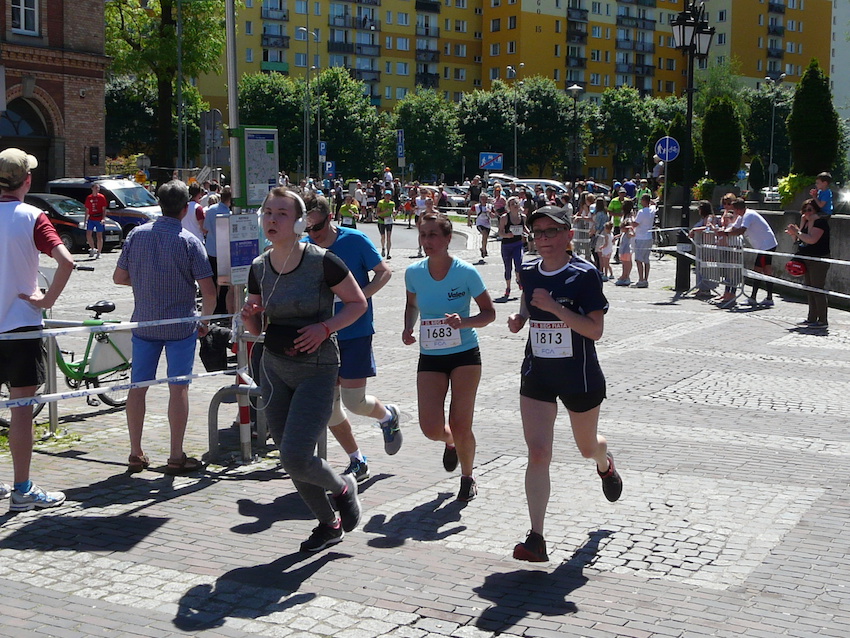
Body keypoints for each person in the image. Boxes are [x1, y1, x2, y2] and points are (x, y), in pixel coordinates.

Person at [241, 187, 368, 552]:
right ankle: (329, 524)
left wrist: (325, 328)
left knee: (295, 455)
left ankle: (343, 487)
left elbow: (357, 303)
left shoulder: (322, 261)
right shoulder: (258, 266)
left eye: (281, 213)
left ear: (299, 223)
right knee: (291, 459)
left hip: (317, 368)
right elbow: (257, 326)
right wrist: (250, 317)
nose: (272, 219)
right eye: (268, 212)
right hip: (274, 369)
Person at [507, 206, 622, 562]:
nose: (543, 239)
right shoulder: (528, 270)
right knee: (538, 452)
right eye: (538, 232)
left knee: (587, 448)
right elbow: (529, 300)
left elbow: (595, 330)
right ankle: (536, 538)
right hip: (538, 373)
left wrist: (556, 308)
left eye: (551, 231)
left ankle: (604, 463)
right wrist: (520, 317)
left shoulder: (585, 275)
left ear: (568, 235)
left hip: (579, 376)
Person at [113, 180, 216, 475]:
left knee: (137, 388)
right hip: (180, 325)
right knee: (178, 388)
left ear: (159, 204)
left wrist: (145, 283)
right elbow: (209, 292)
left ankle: (135, 452)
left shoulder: (136, 235)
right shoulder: (189, 241)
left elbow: (119, 277)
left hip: (145, 322)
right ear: (185, 209)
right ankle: (175, 455)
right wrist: (204, 321)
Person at [303, 194, 401, 483]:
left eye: (317, 228)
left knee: (354, 402)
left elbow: (384, 272)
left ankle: (387, 416)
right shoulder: (304, 247)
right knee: (328, 406)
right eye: (307, 229)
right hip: (322, 335)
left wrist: (358, 298)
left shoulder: (354, 240)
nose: (313, 234)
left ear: (330, 218)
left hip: (355, 331)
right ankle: (357, 460)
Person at [0, 148, 74, 511]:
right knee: (21, 410)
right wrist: (46, 300)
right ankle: (22, 489)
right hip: (21, 325)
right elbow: (67, 261)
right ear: (27, 180)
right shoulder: (32, 216)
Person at [403, 213, 495, 501]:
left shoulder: (466, 272)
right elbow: (412, 305)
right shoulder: (413, 272)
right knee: (431, 428)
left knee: (461, 422)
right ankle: (450, 441)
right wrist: (408, 327)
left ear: (447, 239)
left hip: (465, 354)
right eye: (423, 235)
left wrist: (464, 322)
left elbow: (489, 313)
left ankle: (467, 476)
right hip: (431, 355)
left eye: (433, 235)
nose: (426, 240)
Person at [721, 198, 778, 306]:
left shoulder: (748, 215)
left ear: (738, 209)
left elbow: (741, 230)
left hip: (766, 246)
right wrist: (723, 231)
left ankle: (754, 298)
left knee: (758, 270)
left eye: (734, 209)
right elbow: (734, 228)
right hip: (764, 246)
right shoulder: (742, 216)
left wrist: (726, 234)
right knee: (766, 270)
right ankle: (768, 298)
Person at [786, 199, 831, 327]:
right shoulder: (806, 222)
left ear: (816, 210)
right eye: (804, 210)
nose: (807, 213)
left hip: (818, 259)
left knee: (817, 289)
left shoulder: (820, 223)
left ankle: (822, 320)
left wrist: (798, 232)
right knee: (809, 289)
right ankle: (812, 317)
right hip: (806, 258)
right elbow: (800, 241)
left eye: (810, 210)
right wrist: (794, 233)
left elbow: (812, 240)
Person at [204, 187, 235, 314]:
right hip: (224, 252)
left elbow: (205, 228)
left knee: (212, 280)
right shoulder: (229, 214)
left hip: (211, 249)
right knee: (223, 282)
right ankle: (221, 307)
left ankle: (212, 307)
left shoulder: (210, 210)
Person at [498, 196, 527, 298]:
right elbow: (500, 232)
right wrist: (507, 235)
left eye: (516, 203)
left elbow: (524, 228)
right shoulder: (504, 218)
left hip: (517, 244)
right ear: (509, 207)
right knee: (508, 267)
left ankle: (519, 280)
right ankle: (508, 287)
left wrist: (529, 234)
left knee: (519, 263)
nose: (515, 205)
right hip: (506, 245)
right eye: (512, 204)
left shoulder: (523, 217)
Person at [631, 193, 655, 288]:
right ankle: (646, 279)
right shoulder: (652, 210)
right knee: (646, 259)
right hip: (649, 237)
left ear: (644, 201)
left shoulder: (641, 212)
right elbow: (654, 204)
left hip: (641, 237)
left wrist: (632, 217)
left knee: (639, 259)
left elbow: (635, 224)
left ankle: (641, 279)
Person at [614, 198, 635, 286]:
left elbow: (631, 226)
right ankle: (624, 274)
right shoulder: (625, 216)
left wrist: (629, 230)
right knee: (623, 259)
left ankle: (627, 276)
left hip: (628, 241)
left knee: (627, 259)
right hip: (623, 238)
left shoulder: (630, 217)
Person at [84, 182, 108, 259]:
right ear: (92, 188)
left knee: (99, 235)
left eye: (98, 188)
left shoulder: (101, 197)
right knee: (88, 234)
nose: (97, 189)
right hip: (91, 218)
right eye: (96, 188)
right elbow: (87, 210)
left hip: (99, 218)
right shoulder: (89, 198)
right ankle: (92, 248)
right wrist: (85, 220)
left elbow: (104, 209)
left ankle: (99, 252)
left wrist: (103, 218)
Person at [468, 193, 493, 259]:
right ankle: (484, 251)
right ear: (480, 199)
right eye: (482, 199)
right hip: (480, 223)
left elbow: (494, 215)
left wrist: (490, 212)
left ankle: (483, 248)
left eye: (485, 199)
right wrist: (469, 221)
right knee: (484, 234)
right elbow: (469, 212)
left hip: (487, 224)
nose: (484, 200)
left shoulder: (490, 206)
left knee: (485, 238)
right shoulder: (476, 206)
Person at [376, 188, 396, 259]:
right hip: (381, 221)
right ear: (384, 196)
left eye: (389, 195)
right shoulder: (380, 202)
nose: (387, 197)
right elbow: (377, 213)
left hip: (388, 221)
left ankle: (388, 253)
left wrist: (394, 213)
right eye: (386, 195)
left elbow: (393, 210)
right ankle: (383, 248)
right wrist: (384, 212)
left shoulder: (392, 203)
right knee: (383, 237)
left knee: (389, 237)